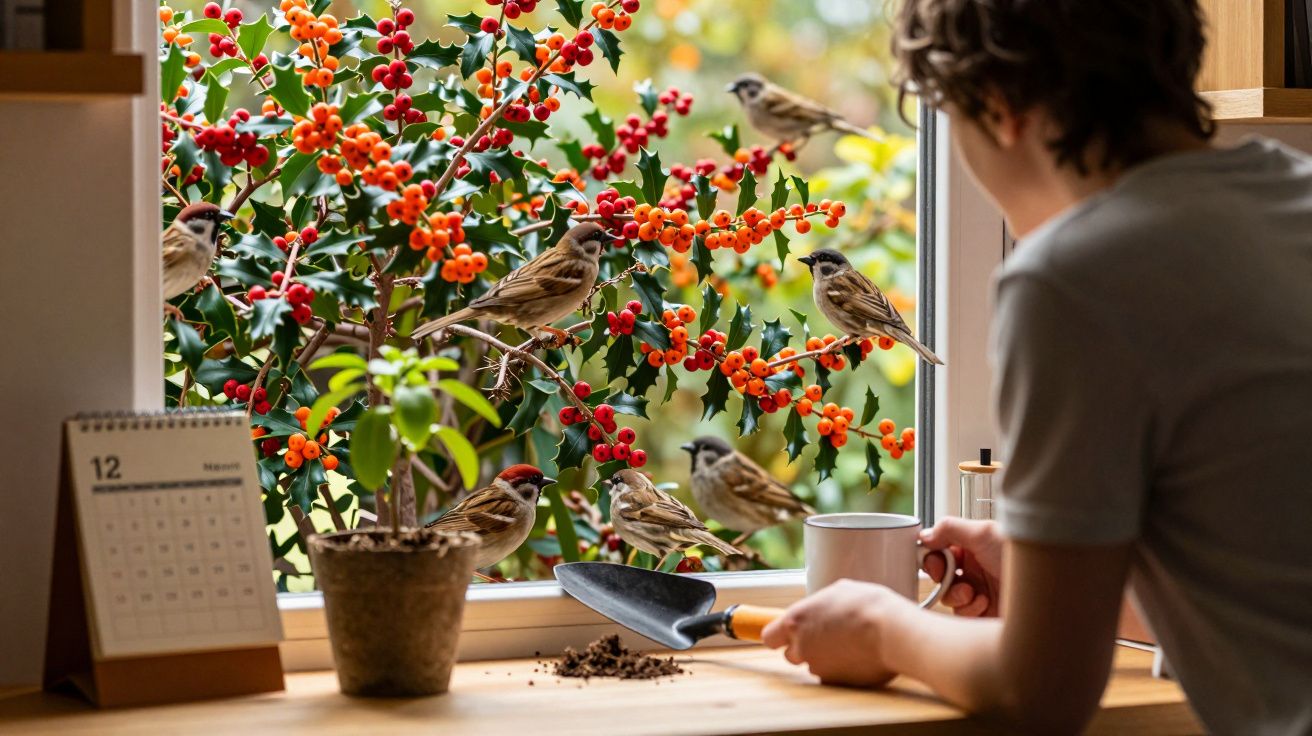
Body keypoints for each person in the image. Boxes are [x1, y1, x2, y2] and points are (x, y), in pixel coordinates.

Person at [760, 1, 1312, 733]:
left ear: (1000, 109)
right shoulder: (1296, 194)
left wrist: (881, 628)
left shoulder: (1075, 278)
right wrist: (1054, 578)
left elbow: (1040, 692)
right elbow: (1269, 583)